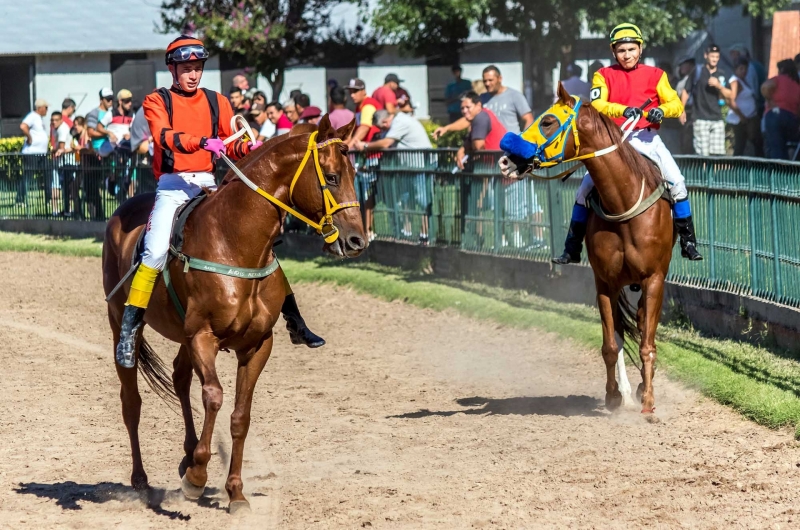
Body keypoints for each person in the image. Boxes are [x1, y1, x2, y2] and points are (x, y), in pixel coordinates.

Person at [115, 35, 323, 368]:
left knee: (260, 244)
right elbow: (163, 137)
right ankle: (130, 327)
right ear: (173, 69)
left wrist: (249, 149)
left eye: (197, 68)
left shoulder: (218, 101)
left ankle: (295, 320)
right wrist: (202, 142)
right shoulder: (157, 101)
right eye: (186, 68)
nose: (193, 74)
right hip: (173, 187)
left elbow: (230, 144)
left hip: (210, 184)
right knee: (154, 250)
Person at [548, 23, 702, 263]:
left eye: (631, 49)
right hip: (615, 142)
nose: (627, 55)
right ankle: (572, 248)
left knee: (678, 182)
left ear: (640, 49)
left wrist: (661, 111)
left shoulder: (657, 74)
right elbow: (598, 105)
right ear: (613, 52)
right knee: (583, 191)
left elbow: (676, 104)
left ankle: (688, 242)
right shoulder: (603, 75)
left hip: (648, 140)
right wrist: (624, 110)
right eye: (621, 50)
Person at [357, 109, 433, 244]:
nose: (382, 131)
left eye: (382, 127)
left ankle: (425, 236)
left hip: (422, 166)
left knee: (423, 201)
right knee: (405, 202)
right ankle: (406, 235)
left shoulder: (400, 122)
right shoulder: (395, 123)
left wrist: (365, 146)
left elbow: (386, 143)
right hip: (409, 168)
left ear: (386, 121)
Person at [434, 65, 533, 139]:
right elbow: (468, 119)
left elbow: (528, 119)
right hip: (490, 151)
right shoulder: (481, 99)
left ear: (500, 79)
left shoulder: (514, 95)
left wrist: (522, 140)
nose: (487, 84)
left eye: (490, 80)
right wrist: (446, 128)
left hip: (511, 149)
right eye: (485, 81)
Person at [681, 44, 728, 157]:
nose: (714, 59)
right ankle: (705, 174)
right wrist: (681, 110)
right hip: (700, 117)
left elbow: (730, 95)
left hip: (717, 118)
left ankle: (716, 175)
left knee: (718, 154)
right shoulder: (697, 71)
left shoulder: (721, 74)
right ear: (706, 55)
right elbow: (686, 91)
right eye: (712, 56)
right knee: (703, 154)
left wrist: (719, 86)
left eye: (717, 57)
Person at [761, 59, 800, 160]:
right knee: (787, 146)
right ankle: (786, 172)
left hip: (774, 115)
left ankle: (776, 172)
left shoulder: (779, 79)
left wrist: (770, 101)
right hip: (791, 118)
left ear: (782, 69)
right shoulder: (797, 85)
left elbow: (765, 87)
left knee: (775, 147)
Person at [456, 91, 507, 170]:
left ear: (478, 106)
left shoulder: (480, 118)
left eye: (468, 107)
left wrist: (467, 151)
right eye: (462, 108)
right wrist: (462, 150)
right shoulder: (484, 114)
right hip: (501, 167)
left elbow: (477, 146)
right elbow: (470, 141)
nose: (464, 111)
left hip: (498, 170)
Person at [727, 58, 763, 157]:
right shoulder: (735, 82)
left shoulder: (743, 81)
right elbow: (731, 101)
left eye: (745, 69)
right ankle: (737, 169)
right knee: (740, 145)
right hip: (741, 120)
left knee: (755, 144)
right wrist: (742, 117)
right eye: (741, 69)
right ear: (736, 69)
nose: (744, 71)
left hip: (750, 118)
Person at [18, 99, 49, 206]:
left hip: (42, 153)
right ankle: (20, 200)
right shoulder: (32, 116)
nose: (47, 110)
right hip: (32, 152)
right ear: (40, 108)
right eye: (46, 107)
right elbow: (23, 126)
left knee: (47, 174)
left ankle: (49, 200)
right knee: (28, 176)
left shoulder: (39, 118)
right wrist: (29, 138)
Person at [345, 78, 384, 147]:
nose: (352, 95)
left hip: (375, 153)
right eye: (350, 92)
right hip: (368, 151)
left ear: (364, 91)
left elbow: (364, 128)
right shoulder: (359, 107)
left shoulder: (368, 105)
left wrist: (349, 147)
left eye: (355, 91)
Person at [729, 44, 766, 113]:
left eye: (735, 55)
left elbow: (752, 90)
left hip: (755, 109)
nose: (733, 58)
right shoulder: (756, 64)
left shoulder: (749, 68)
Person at [86, 88, 117, 157]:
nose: (110, 102)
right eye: (108, 99)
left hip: (111, 146)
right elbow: (90, 133)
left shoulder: (112, 113)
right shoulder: (94, 113)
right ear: (101, 100)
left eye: (112, 99)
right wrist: (108, 134)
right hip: (99, 148)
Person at [675, 56, 697, 154]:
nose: (681, 68)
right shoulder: (682, 80)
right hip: (683, 111)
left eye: (684, 65)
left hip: (692, 111)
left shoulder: (694, 79)